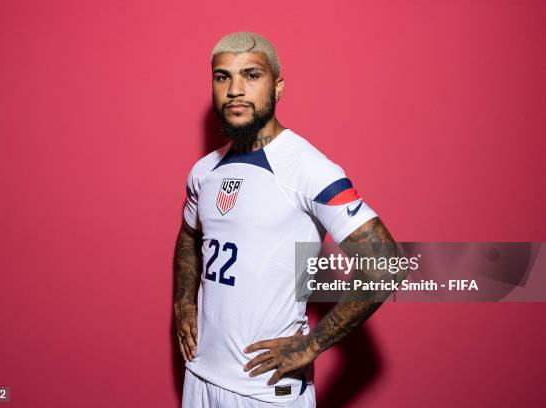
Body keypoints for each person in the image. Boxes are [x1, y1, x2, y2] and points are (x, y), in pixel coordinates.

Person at [173, 31, 405, 408]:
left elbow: (387, 265)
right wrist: (184, 304)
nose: (235, 90)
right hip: (200, 376)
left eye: (251, 75)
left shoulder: (308, 169)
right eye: (222, 77)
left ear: (278, 88)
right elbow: (189, 236)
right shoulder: (204, 170)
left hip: (266, 390)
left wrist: (312, 344)